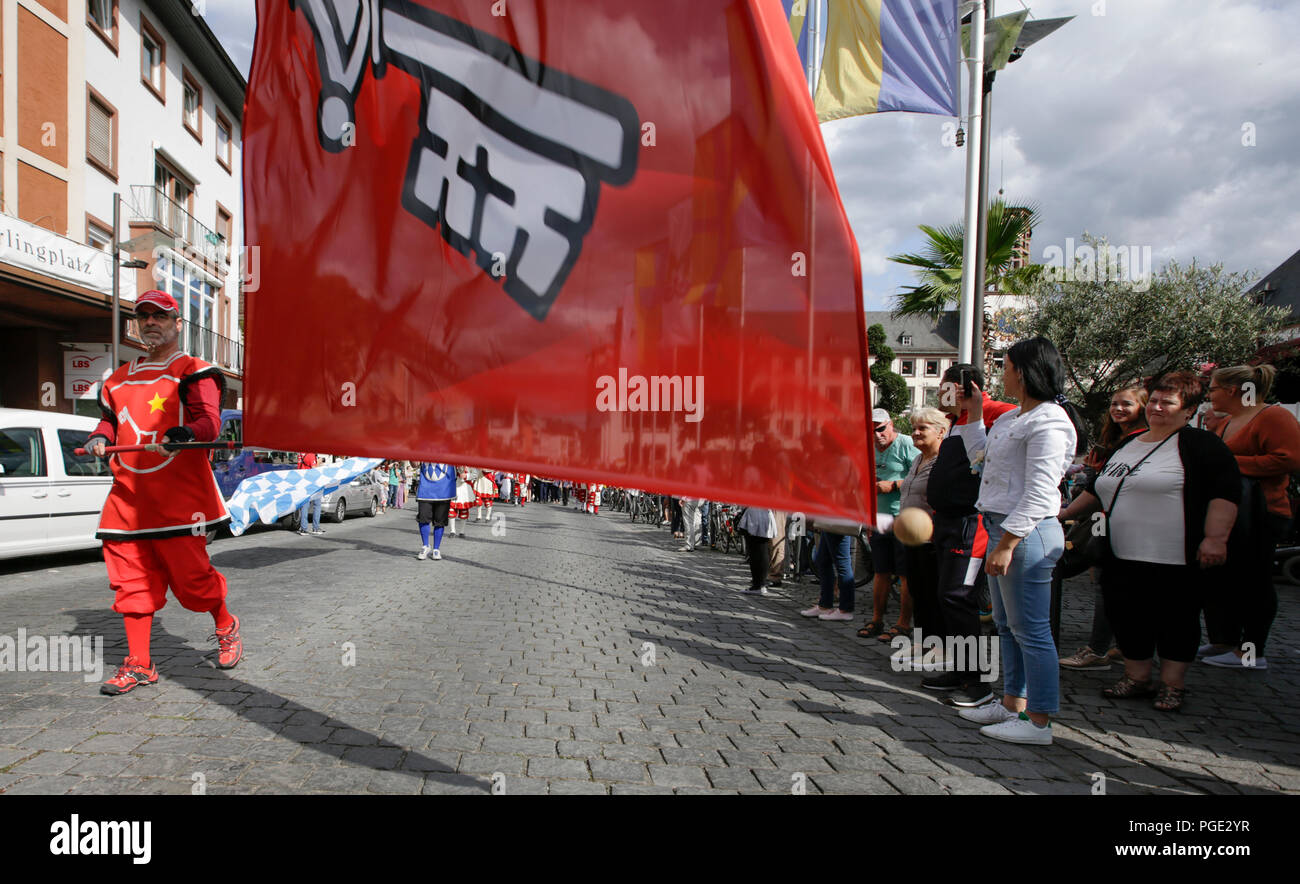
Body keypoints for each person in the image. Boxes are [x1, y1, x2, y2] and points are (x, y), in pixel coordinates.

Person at [84, 290, 242, 695]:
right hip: (128, 500)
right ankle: (139, 663)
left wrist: (183, 434)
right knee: (131, 586)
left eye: (160, 315)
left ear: (177, 324)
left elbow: (208, 423)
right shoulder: (117, 379)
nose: (151, 322)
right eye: (144, 316)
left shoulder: (194, 370)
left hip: (180, 502)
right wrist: (99, 438)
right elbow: (109, 423)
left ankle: (225, 623)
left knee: (193, 585)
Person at [1060, 371, 1240, 712]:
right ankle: (1137, 677)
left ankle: (1172, 685)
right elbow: (1098, 490)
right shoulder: (1130, 444)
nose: (1156, 407)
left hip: (1174, 555)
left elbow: (1225, 495)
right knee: (1127, 614)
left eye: (1166, 402)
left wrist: (1216, 539)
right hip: (1121, 552)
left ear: (1188, 410)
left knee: (1176, 619)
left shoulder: (1202, 446)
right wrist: (1062, 513)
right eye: (1154, 400)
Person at [952, 337, 1087, 745]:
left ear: (1024, 372)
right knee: (1008, 626)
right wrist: (974, 415)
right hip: (1001, 526)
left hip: (1024, 533)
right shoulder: (1013, 419)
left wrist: (1007, 542)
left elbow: (1041, 491)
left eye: (1006, 365)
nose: (1002, 372)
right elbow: (981, 460)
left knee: (1031, 630)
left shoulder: (1050, 420)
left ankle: (1039, 721)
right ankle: (1014, 702)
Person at [1201, 364, 1300, 670]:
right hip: (1227, 511)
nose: (1209, 394)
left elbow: (1290, 459)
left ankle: (1251, 651)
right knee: (1220, 579)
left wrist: (1228, 462)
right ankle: (1225, 640)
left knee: (1253, 581)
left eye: (1213, 388)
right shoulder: (1225, 420)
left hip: (1261, 512)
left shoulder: (1273, 416)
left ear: (1232, 390)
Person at [1059, 384, 1149, 670]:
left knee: (1108, 585)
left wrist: (1065, 513)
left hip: (1119, 521)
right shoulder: (1116, 439)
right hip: (1103, 518)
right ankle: (1121, 646)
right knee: (1107, 583)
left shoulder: (1139, 441)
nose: (1118, 409)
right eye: (1114, 404)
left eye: (1126, 404)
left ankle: (1100, 649)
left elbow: (1101, 488)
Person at [890, 408, 965, 686]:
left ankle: (941, 648)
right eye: (914, 428)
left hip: (933, 538)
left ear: (941, 431)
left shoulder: (943, 461)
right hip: (912, 537)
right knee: (918, 592)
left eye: (923, 428)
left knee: (935, 594)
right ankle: (924, 643)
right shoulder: (919, 459)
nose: (916, 433)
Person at [863, 409, 919, 640]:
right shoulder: (868, 447)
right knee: (880, 572)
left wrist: (894, 485)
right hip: (879, 520)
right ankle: (877, 620)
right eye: (871, 429)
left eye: (881, 428)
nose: (877, 434)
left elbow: (923, 473)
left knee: (905, 574)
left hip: (904, 518)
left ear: (891, 424)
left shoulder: (906, 444)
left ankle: (903, 623)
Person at [415, 462, 456, 560]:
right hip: (426, 490)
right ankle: (425, 546)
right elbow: (414, 464)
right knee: (423, 518)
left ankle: (436, 549)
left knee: (440, 521)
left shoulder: (452, 448)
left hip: (444, 490)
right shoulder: (422, 447)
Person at [738, 507, 778, 595]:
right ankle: (760, 584)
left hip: (756, 515)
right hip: (762, 514)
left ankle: (758, 584)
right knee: (761, 550)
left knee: (756, 551)